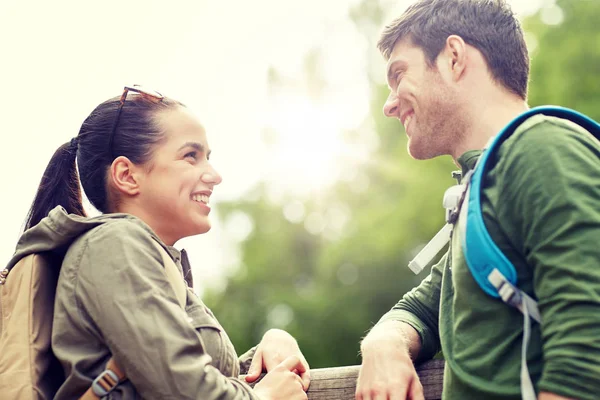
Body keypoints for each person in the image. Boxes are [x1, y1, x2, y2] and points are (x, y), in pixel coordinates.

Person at [355, 1, 600, 400]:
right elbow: (421, 310)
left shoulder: (542, 149)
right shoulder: (487, 183)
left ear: (453, 57)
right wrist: (383, 343)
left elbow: (588, 350)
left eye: (399, 74)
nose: (390, 102)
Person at [13, 85, 310, 399]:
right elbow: (184, 392)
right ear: (127, 175)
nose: (213, 175)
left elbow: (186, 377)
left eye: (207, 158)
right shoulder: (115, 246)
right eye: (190, 156)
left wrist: (271, 349)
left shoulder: (146, 258)